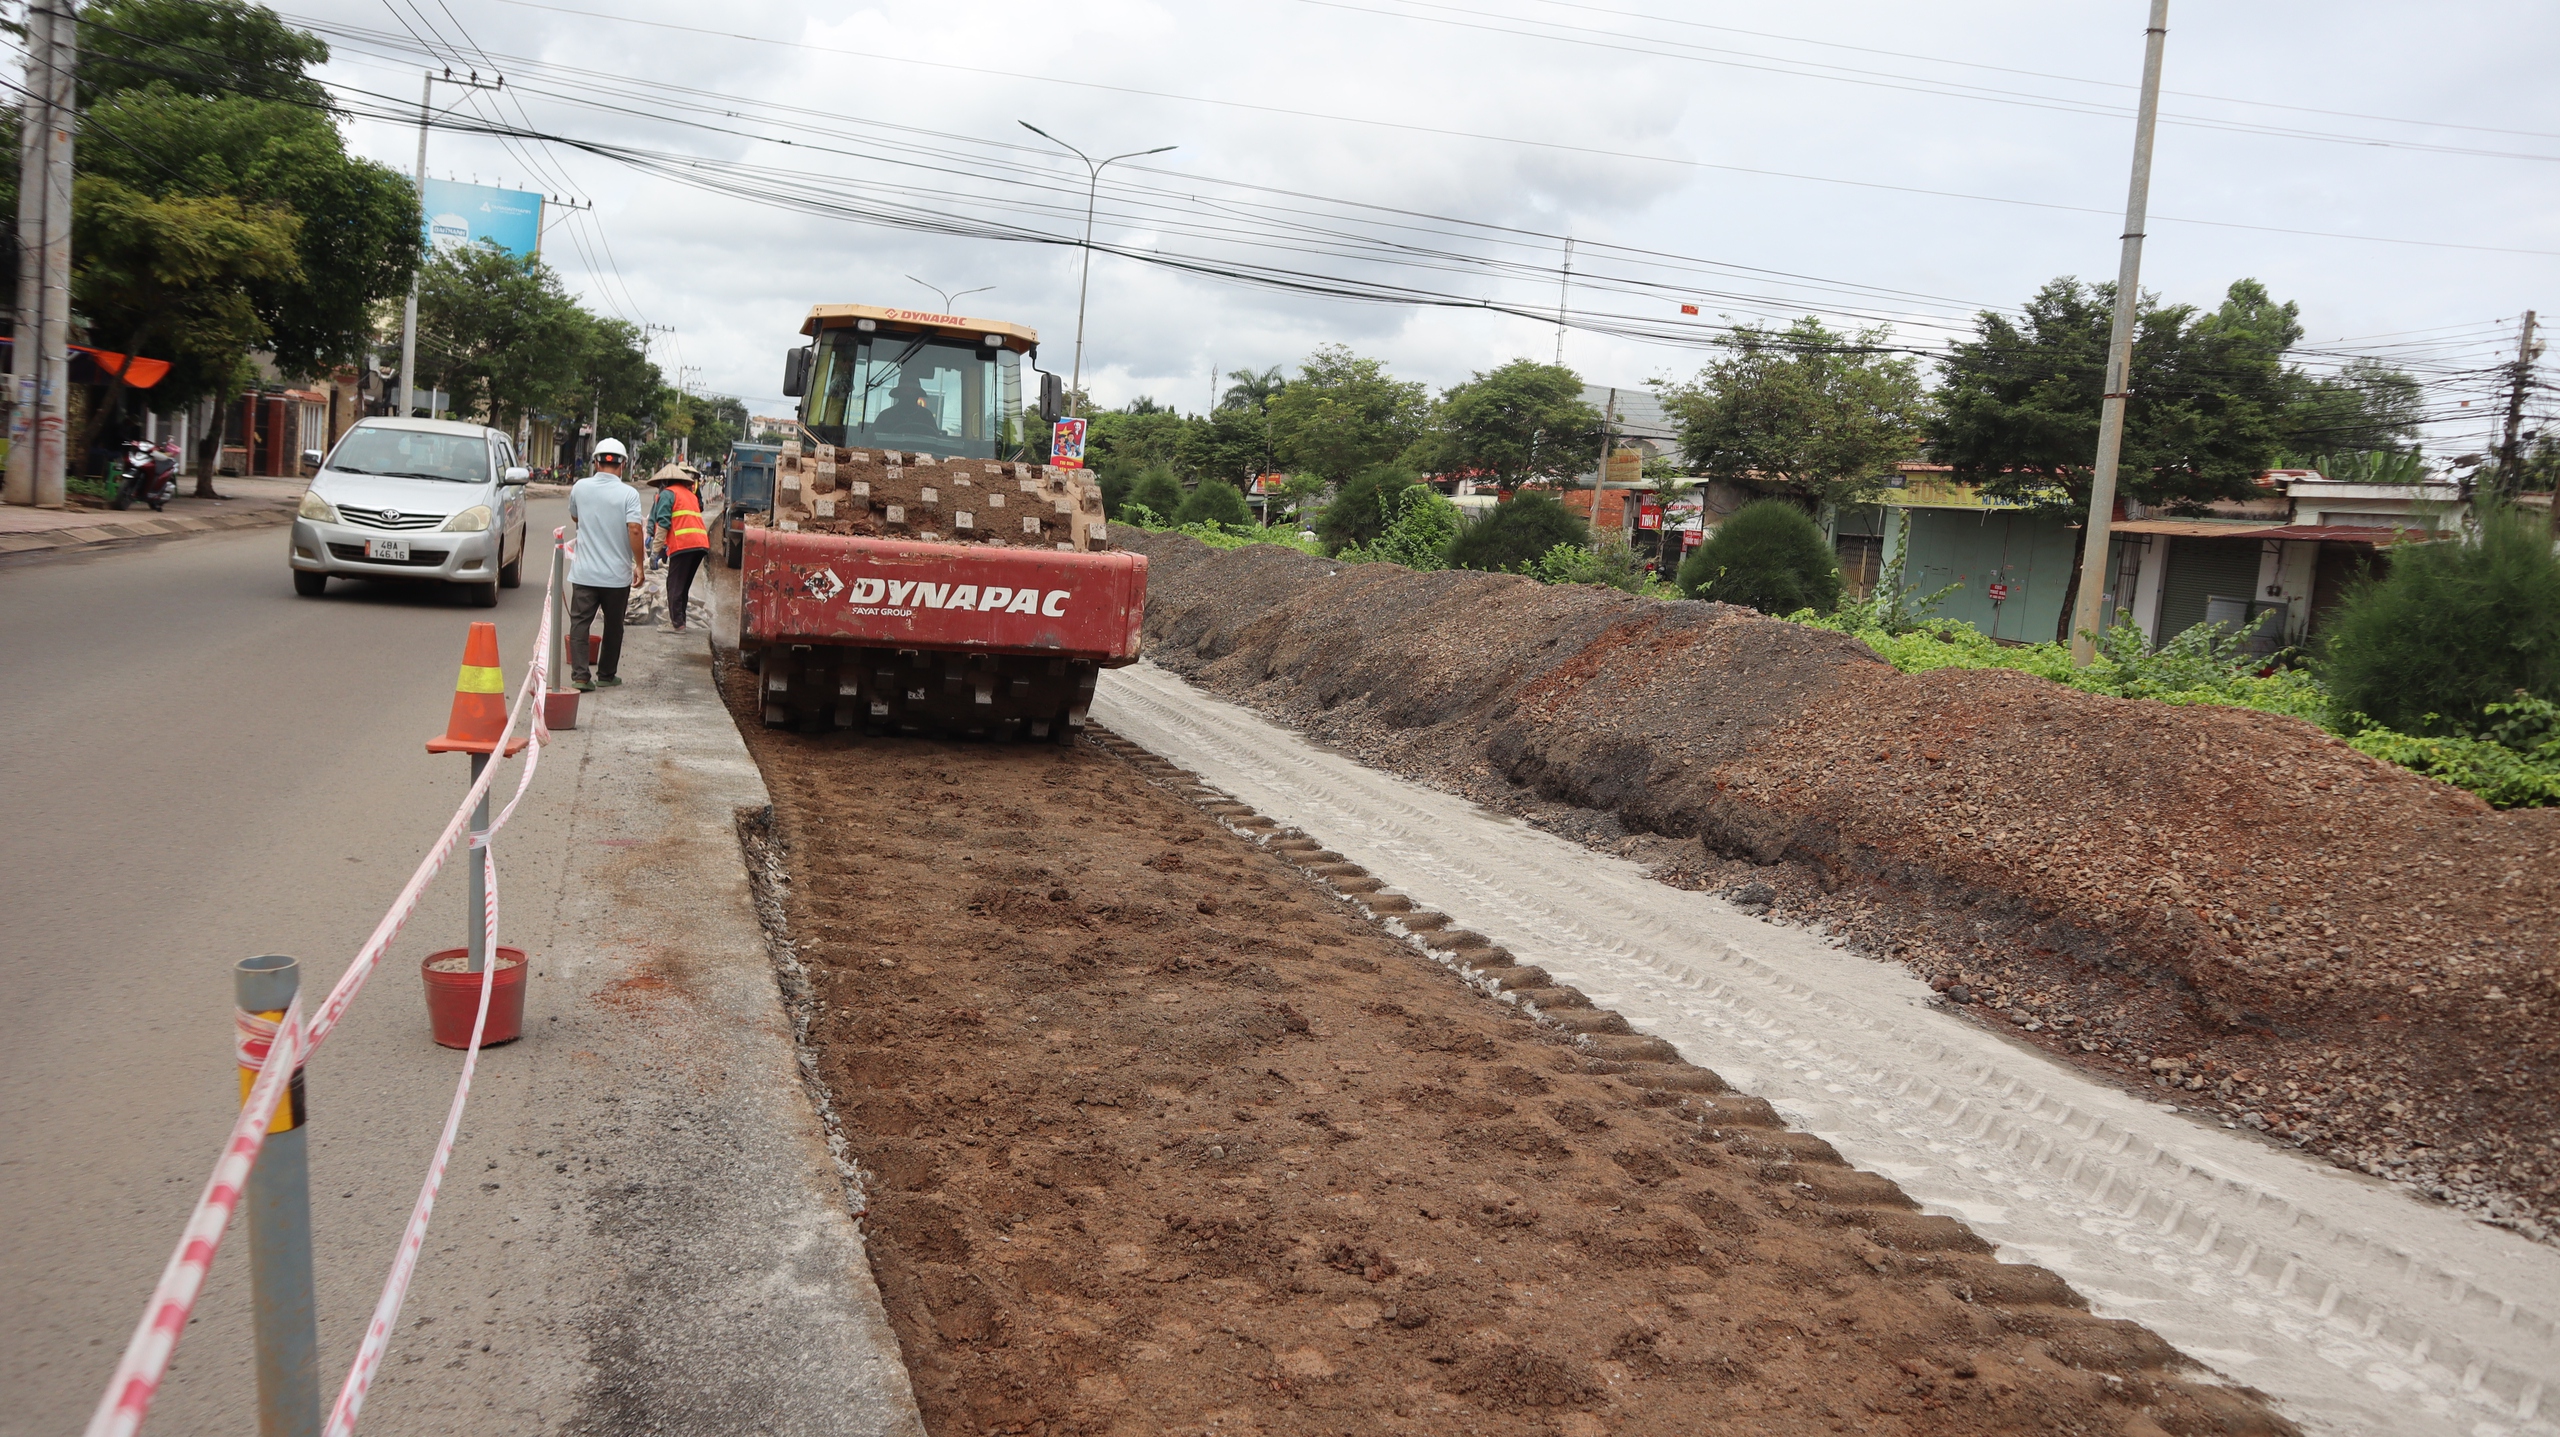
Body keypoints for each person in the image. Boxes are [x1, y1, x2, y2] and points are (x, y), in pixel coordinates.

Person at [565, 438, 645, 692]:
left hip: (584, 573)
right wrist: (640, 565)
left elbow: (575, 516)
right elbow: (635, 529)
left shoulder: (580, 487)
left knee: (580, 624)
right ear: (623, 465)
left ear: (596, 463)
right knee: (614, 626)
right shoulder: (629, 494)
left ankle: (580, 676)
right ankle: (607, 675)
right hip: (616, 577)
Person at [649, 462, 712, 634]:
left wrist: (655, 552)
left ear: (664, 482)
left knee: (674, 585)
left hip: (683, 544)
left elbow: (663, 524)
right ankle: (680, 621)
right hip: (700, 544)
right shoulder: (690, 495)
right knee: (683, 586)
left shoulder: (667, 494)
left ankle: (677, 625)